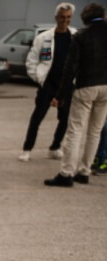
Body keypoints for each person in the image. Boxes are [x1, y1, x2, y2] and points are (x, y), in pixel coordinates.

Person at [45, 2, 107, 185]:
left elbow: (70, 68)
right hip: (106, 87)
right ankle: (84, 172)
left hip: (86, 86)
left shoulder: (80, 35)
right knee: (95, 132)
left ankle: (66, 174)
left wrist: (60, 95)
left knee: (75, 131)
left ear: (85, 19)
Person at [20, 3, 77, 160]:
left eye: (68, 17)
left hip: (66, 86)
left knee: (65, 119)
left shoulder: (75, 36)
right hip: (48, 85)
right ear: (56, 17)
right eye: (62, 17)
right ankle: (27, 149)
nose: (65, 20)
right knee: (37, 118)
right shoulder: (43, 38)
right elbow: (31, 61)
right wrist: (39, 79)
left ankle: (55, 147)